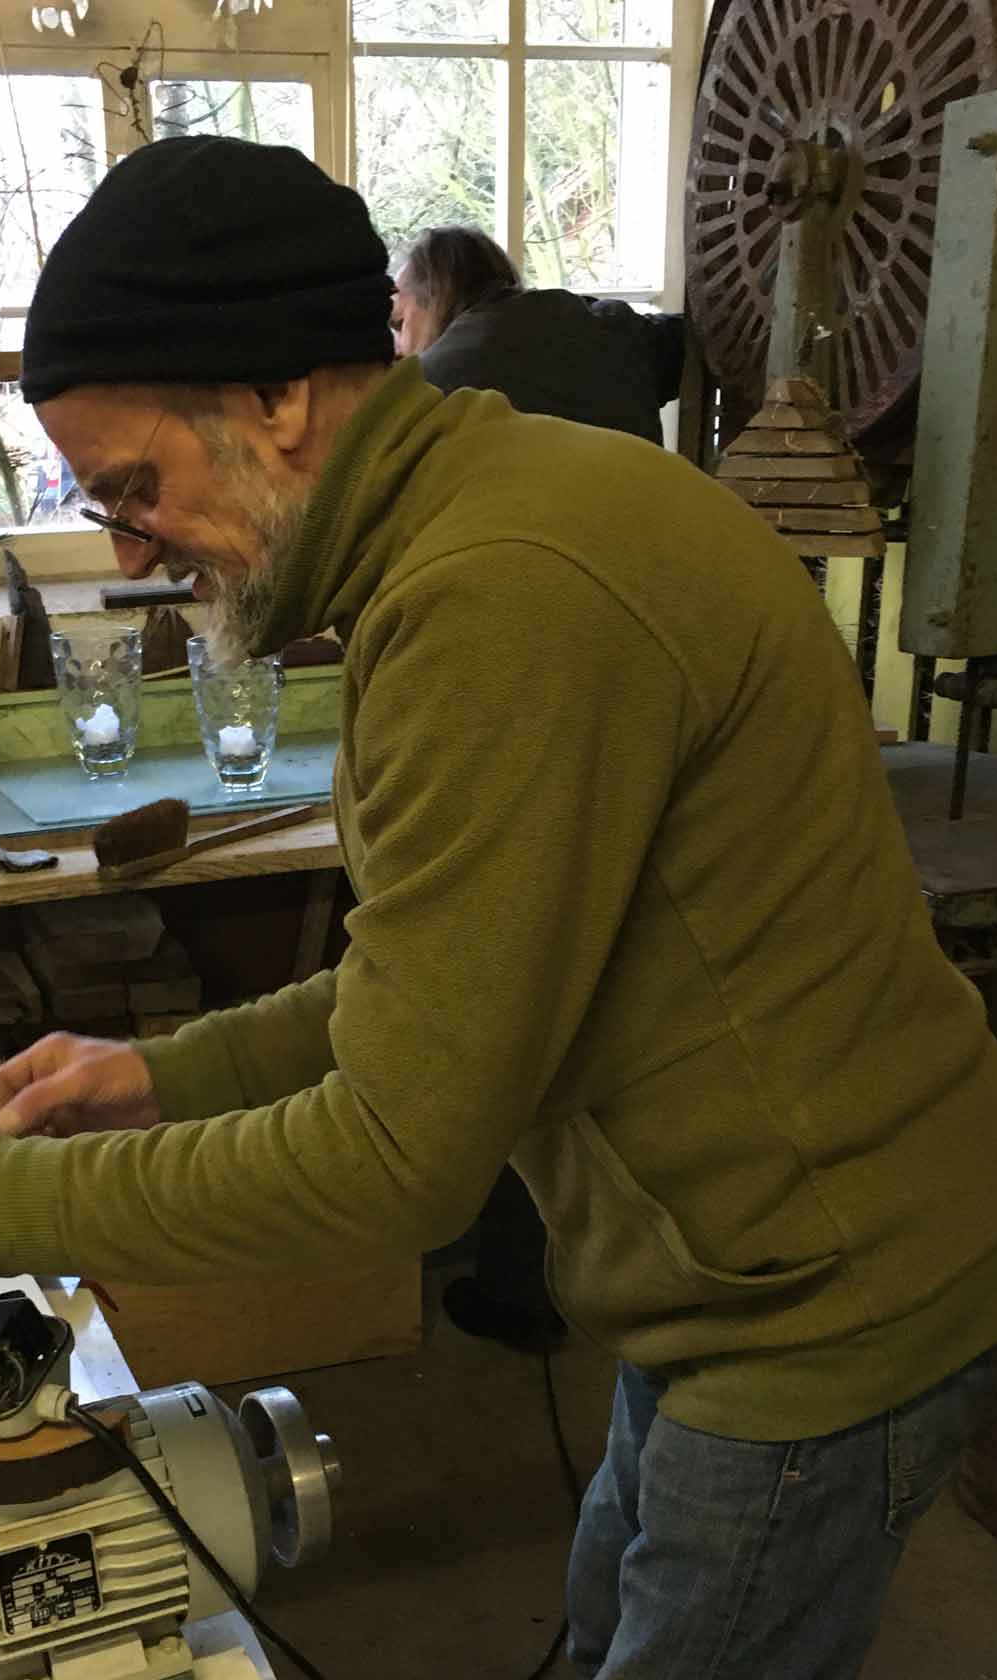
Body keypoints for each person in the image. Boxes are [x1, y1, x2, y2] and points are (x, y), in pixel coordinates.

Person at [0, 137, 997, 1680]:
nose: (130, 545)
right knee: (618, 1629)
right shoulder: (486, 524)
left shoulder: (493, 600)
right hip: (737, 1254)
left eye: (132, 485)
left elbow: (401, 1148)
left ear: (281, 398)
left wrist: (7, 1193)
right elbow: (444, 986)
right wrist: (163, 1071)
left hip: (830, 1297)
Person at [392, 225, 687, 1353]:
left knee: (520, 995)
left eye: (399, 313)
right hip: (653, 664)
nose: (398, 336)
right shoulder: (604, 329)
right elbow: (686, 344)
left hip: (539, 682)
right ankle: (605, 1271)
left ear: (431, 298)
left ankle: (526, 1290)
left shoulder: (444, 376)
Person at [391, 223, 685, 443]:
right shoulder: (613, 325)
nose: (397, 349)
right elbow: (695, 338)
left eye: (399, 323)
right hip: (654, 505)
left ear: (437, 296)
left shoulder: (428, 393)